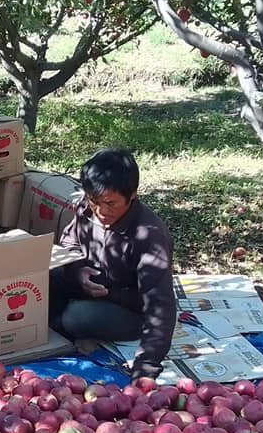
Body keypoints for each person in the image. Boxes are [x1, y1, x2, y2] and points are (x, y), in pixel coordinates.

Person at [50, 148, 177, 381]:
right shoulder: (87, 207)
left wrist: (146, 365)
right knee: (36, 281)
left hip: (128, 309)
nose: (101, 211)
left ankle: (65, 325)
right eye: (94, 201)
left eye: (111, 204)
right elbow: (69, 240)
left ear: (133, 195)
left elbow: (160, 305)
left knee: (76, 317)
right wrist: (77, 270)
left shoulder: (149, 235)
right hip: (86, 288)